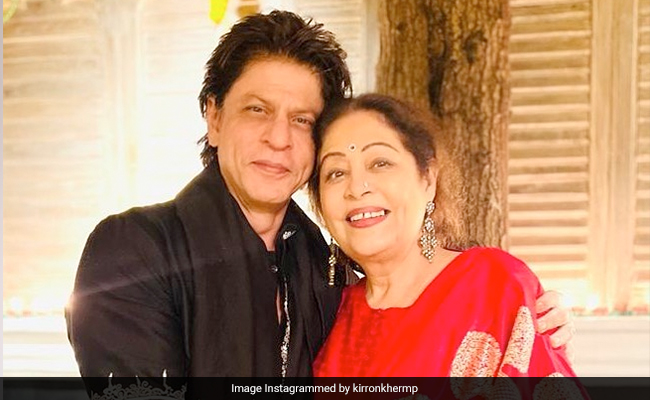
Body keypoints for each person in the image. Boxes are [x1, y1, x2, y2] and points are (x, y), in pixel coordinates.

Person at [66, 11, 572, 380]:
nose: (279, 138)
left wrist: (519, 311)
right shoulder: (134, 250)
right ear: (214, 117)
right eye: (257, 110)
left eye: (302, 120)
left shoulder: (329, 275)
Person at [309, 94, 581, 383]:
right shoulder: (327, 315)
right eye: (336, 173)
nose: (357, 188)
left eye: (380, 163)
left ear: (428, 179)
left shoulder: (493, 286)